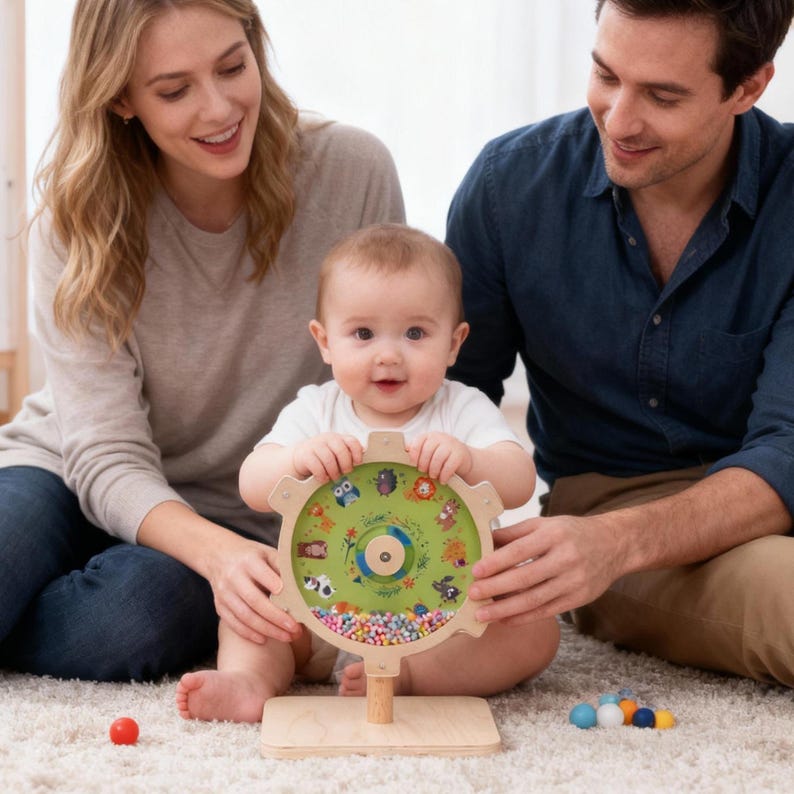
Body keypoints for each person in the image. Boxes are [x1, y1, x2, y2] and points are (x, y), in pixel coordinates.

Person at [0, 0, 404, 682]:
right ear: (122, 98)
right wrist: (214, 555)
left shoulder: (351, 171)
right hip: (70, 472)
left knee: (133, 617)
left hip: (242, 514)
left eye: (231, 67)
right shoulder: (77, 222)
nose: (218, 109)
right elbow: (104, 454)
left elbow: (382, 391)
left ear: (255, 47)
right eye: (174, 90)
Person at [447, 0, 794, 687]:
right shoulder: (509, 187)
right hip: (614, 513)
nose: (620, 119)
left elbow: (787, 452)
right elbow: (453, 404)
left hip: (766, 493)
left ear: (749, 88)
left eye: (663, 96)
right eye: (606, 75)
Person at [175, 223, 560, 722]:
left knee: (534, 629)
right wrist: (297, 459)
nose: (388, 354)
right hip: (317, 605)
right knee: (255, 599)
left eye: (416, 333)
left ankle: (413, 677)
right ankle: (251, 681)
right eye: (362, 334)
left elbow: (519, 480)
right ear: (324, 341)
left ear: (454, 343)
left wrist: (472, 460)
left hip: (438, 620)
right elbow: (252, 483)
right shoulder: (315, 411)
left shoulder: (463, 409)